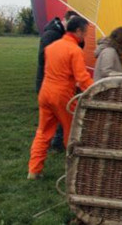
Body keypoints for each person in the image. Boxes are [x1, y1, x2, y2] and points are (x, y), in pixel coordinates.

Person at [28, 17, 94, 179]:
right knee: (71, 132)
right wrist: (97, 91)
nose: (85, 36)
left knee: (43, 131)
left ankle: (34, 170)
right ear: (78, 31)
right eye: (84, 32)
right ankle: (73, 171)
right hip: (62, 95)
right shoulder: (75, 50)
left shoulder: (52, 47)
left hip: (45, 92)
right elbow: (82, 78)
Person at [35, 10, 79, 151]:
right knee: (57, 119)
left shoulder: (66, 38)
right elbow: (42, 58)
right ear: (64, 20)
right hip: (49, 83)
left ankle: (56, 144)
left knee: (57, 119)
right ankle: (61, 145)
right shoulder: (52, 35)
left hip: (55, 85)